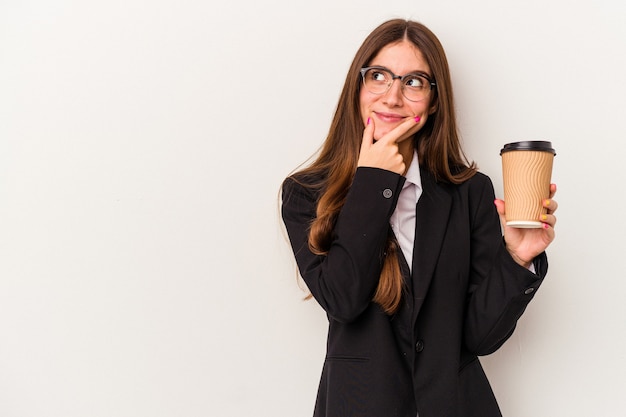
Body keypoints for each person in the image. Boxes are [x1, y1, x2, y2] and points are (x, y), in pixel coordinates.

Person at [280, 19, 557, 417]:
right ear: (357, 86)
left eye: (413, 82)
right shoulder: (305, 194)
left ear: (433, 99)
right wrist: (374, 182)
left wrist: (517, 260)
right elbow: (343, 299)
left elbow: (479, 338)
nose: (392, 97)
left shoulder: (468, 191)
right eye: (378, 76)